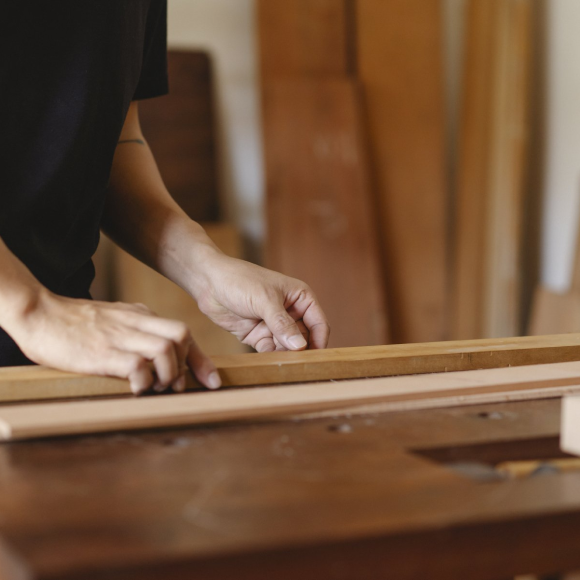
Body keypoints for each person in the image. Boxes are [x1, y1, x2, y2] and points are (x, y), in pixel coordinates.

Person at [0, 1, 329, 395]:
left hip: (68, 352)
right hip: (41, 323)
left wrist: (204, 269)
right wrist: (30, 309)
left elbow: (112, 143)